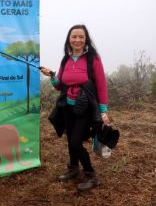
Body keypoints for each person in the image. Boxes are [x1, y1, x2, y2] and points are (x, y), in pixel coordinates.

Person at [41, 24, 110, 191]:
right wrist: (52, 76)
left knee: (75, 142)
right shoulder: (66, 59)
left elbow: (101, 85)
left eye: (81, 36)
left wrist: (103, 111)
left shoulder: (93, 59)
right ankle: (73, 168)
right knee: (70, 138)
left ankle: (91, 175)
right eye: (74, 36)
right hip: (67, 106)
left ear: (86, 39)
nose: (77, 40)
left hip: (85, 107)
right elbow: (60, 86)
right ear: (69, 39)